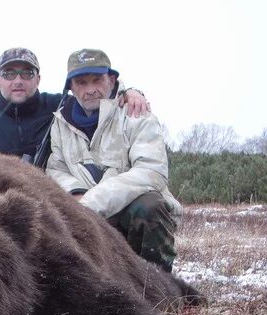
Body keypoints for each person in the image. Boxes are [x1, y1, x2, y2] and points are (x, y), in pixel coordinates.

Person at [46, 49, 181, 272]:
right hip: (84, 213)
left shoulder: (137, 113)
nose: (91, 90)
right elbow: (55, 168)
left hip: (125, 211)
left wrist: (90, 203)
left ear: (111, 80)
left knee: (150, 207)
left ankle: (158, 283)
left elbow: (151, 171)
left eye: (97, 80)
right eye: (81, 82)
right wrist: (75, 192)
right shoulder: (59, 123)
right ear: (71, 87)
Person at [0, 47, 148, 165]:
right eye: (9, 73)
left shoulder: (62, 106)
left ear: (38, 79)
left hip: (51, 204)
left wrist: (129, 92)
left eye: (27, 73)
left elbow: (95, 95)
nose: (18, 80)